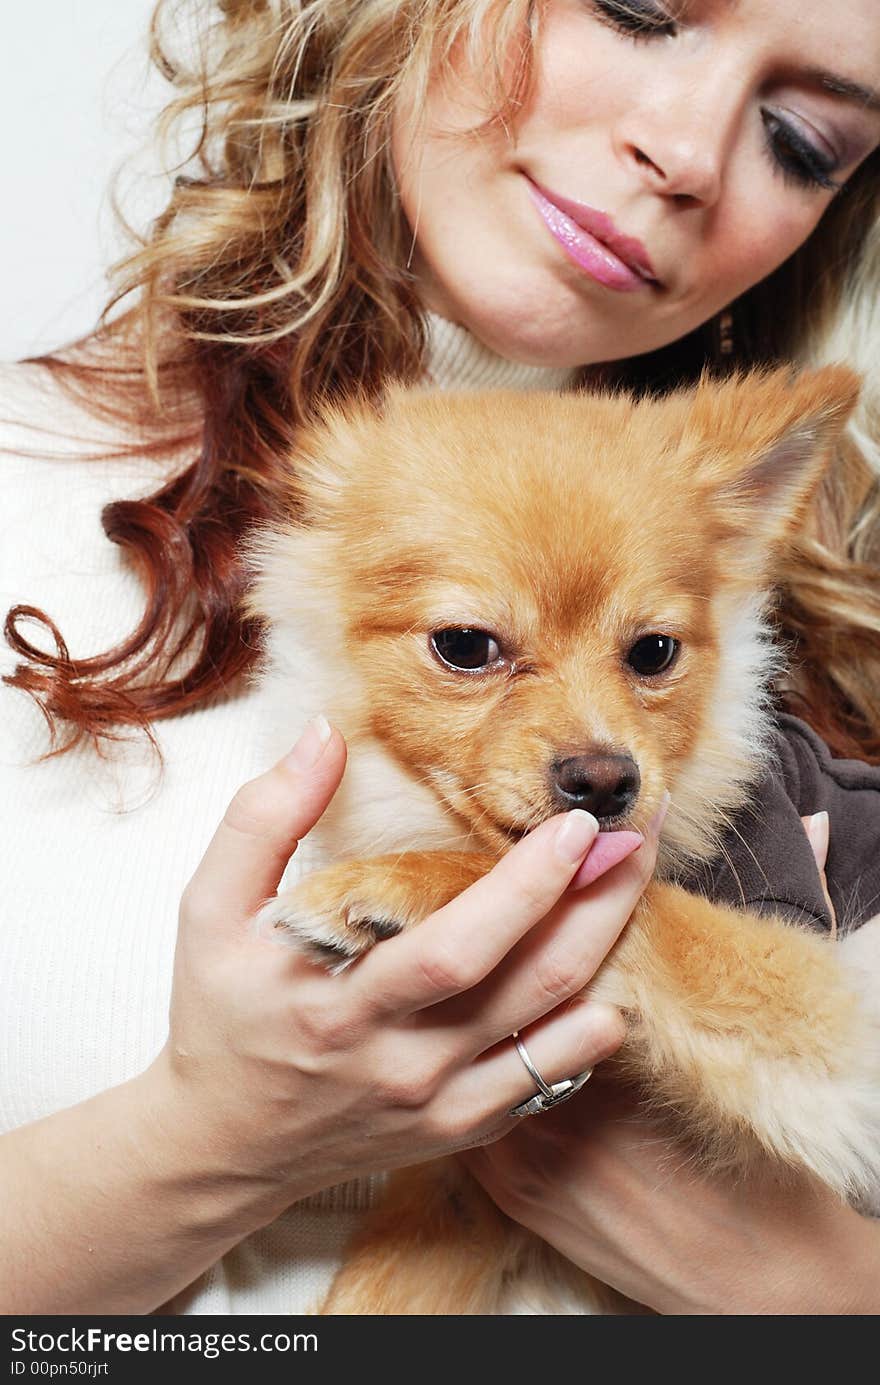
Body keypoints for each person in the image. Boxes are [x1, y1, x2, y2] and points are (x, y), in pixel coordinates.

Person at [1, 0, 879, 1316]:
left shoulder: (809, 600)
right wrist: (207, 1142)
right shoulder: (25, 495)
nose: (688, 151)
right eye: (640, 9)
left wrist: (821, 1292)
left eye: (804, 140)